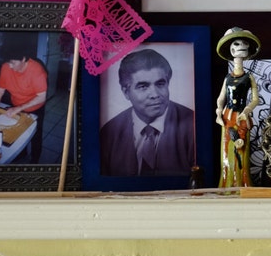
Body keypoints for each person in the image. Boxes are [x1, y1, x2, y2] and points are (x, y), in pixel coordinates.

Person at [100, 47, 195, 177]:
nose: (155, 94)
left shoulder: (194, 126)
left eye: (160, 84)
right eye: (143, 86)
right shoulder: (109, 132)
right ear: (126, 92)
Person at [0, 41, 48, 162]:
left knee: (35, 135)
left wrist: (18, 108)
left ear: (23, 59)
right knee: (19, 133)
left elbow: (41, 97)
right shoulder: (6, 67)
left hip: (36, 107)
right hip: (16, 104)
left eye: (13, 62)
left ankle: (35, 161)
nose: (10, 66)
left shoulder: (37, 71)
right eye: (8, 62)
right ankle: (21, 153)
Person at [215, 27, 261, 188]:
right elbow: (221, 97)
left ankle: (242, 183)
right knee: (227, 150)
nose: (241, 46)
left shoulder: (249, 77)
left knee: (241, 148)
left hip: (242, 116)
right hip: (227, 116)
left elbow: (255, 99)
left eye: (244, 43)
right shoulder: (227, 77)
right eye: (236, 43)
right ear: (231, 48)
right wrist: (218, 110)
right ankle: (227, 184)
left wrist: (247, 111)